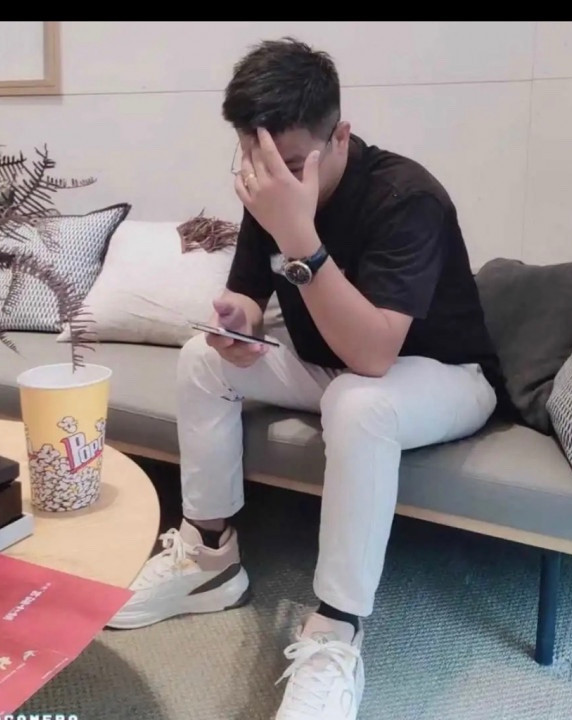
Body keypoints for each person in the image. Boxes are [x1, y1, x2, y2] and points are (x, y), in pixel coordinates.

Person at [109, 37, 504, 719]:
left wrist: (300, 237)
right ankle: (208, 558)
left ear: (340, 136)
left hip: (443, 375)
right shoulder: (271, 192)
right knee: (201, 359)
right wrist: (238, 321)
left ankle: (336, 629)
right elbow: (248, 299)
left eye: (293, 167)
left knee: (358, 401)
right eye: (257, 163)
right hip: (334, 366)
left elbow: (374, 355)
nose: (275, 182)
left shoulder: (408, 197)